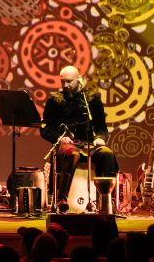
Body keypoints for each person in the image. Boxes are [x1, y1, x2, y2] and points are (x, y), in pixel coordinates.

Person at [39, 64, 118, 212]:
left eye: (69, 81)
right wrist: (60, 138)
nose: (65, 85)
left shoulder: (91, 99)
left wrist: (100, 137)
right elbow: (44, 128)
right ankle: (62, 198)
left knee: (107, 154)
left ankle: (107, 200)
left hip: (88, 143)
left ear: (79, 80)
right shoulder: (55, 100)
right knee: (73, 153)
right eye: (63, 81)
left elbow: (101, 127)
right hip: (66, 144)